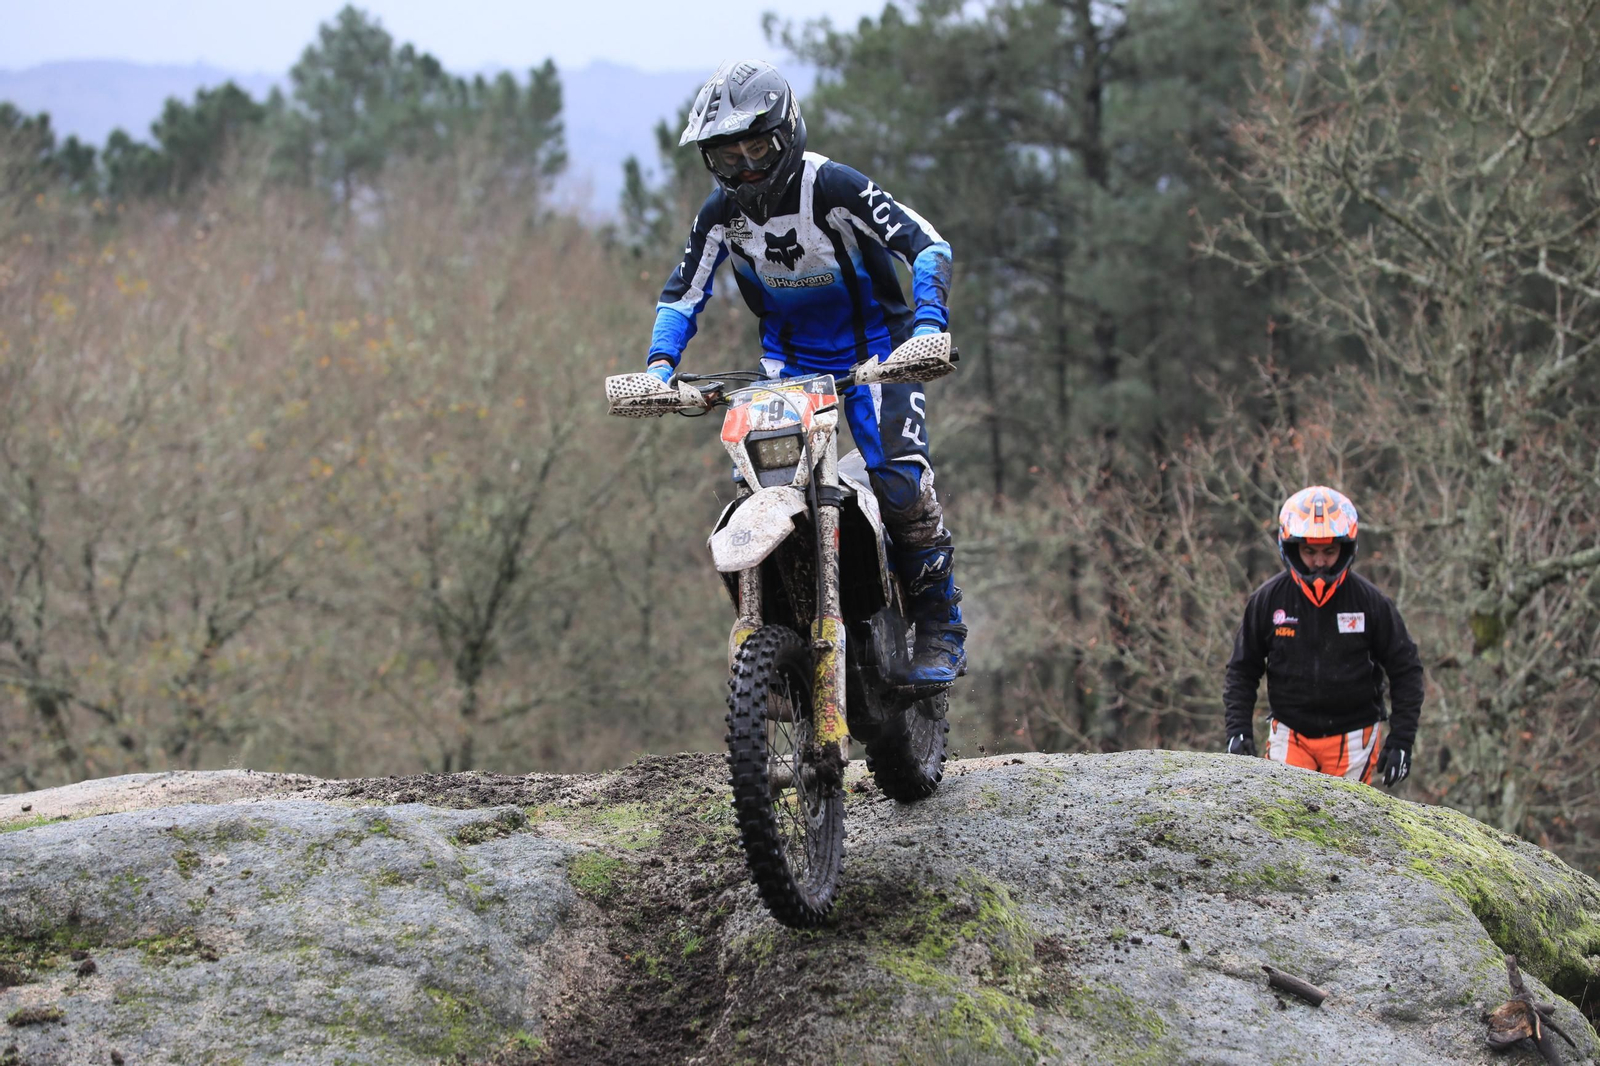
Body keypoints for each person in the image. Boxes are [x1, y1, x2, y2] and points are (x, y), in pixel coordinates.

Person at [643, 59, 965, 691]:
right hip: (788, 365)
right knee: (763, 493)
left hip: (880, 348)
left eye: (757, 147)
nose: (747, 168)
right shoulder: (720, 215)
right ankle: (788, 633)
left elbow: (926, 243)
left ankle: (940, 624)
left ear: (786, 134)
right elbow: (682, 293)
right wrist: (660, 366)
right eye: (728, 156)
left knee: (898, 482)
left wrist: (929, 325)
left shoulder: (835, 187)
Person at [1223, 486, 1424, 786]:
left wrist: (1402, 740)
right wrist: (1237, 729)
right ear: (1291, 548)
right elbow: (1242, 669)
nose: (1319, 562)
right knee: (1281, 818)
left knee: (1345, 827)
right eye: (1309, 551)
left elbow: (1406, 670)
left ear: (1346, 548)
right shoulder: (1267, 600)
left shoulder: (1371, 602)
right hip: (1290, 733)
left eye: (1329, 551)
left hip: (1353, 737)